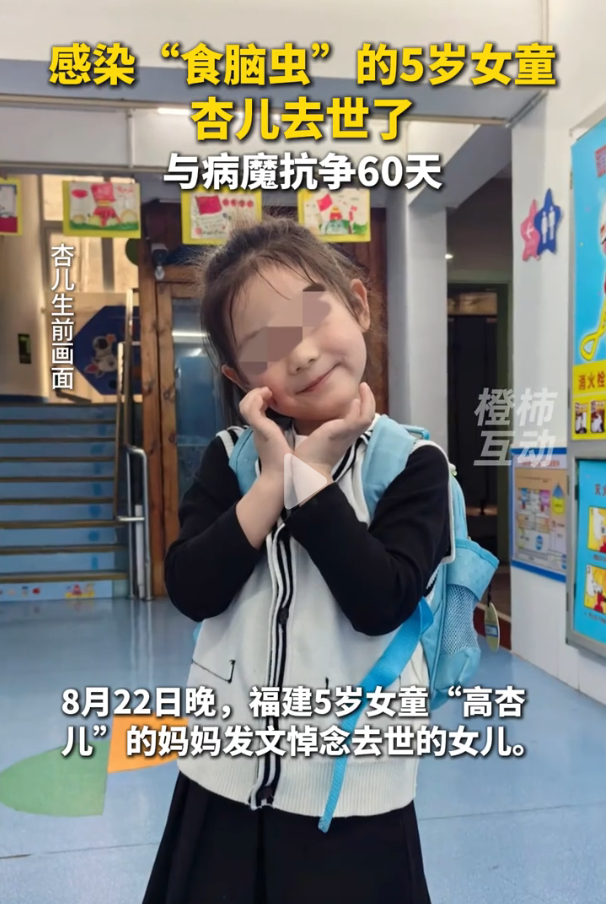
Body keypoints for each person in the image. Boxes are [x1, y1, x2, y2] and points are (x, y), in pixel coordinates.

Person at [143, 218, 452, 904]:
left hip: (352, 792)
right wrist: (272, 479)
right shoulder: (230, 459)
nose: (304, 354)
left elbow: (380, 600)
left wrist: (309, 484)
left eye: (313, 317)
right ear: (239, 376)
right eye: (268, 346)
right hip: (222, 779)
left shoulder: (412, 465)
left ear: (358, 304)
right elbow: (193, 588)